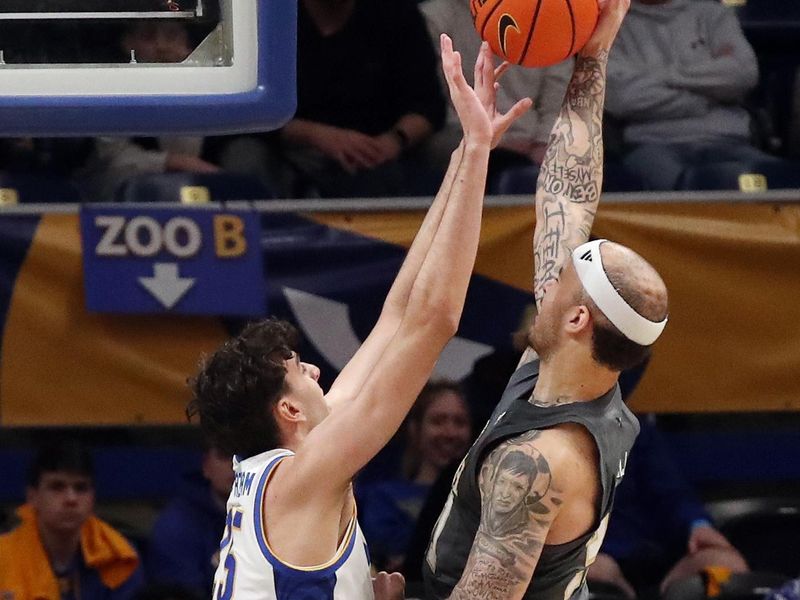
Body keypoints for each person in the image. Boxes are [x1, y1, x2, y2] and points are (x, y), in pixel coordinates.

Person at [186, 36, 532, 600]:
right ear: (289, 409)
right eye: (303, 371)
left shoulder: (282, 470)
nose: (321, 372)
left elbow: (397, 316)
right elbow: (435, 320)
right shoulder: (302, 477)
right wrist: (472, 155)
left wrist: (467, 158)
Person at [423, 2, 672, 600]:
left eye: (562, 277)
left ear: (579, 318)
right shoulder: (572, 375)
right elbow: (567, 190)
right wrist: (591, 58)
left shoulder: (539, 462)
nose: (548, 272)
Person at [604, 0, 790, 191]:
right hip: (649, 146)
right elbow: (622, 98)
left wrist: (660, 76)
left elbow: (742, 73)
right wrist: (705, 98)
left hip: (730, 141)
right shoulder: (609, 25)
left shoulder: (712, 14)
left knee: (778, 181)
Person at [274, 0, 447, 198]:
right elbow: (251, 115)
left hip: (377, 150)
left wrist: (394, 140)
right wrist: (316, 135)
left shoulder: (396, 13)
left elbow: (429, 104)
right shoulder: (273, 16)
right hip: (291, 147)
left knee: (451, 149)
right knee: (245, 155)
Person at [587, 419, 748, 599]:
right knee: (592, 571)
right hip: (593, 553)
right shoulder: (555, 440)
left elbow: (672, 492)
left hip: (659, 553)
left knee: (725, 562)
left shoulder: (634, 430)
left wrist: (698, 525)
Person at [420, 0, 572, 187]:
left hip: (533, 140)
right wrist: (487, 140)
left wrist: (542, 144)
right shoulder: (434, 16)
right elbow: (437, 102)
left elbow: (559, 98)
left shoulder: (552, 16)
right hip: (461, 135)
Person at [76, 20, 219, 202]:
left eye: (172, 36)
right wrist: (173, 162)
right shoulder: (114, 87)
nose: (161, 46)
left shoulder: (215, 84)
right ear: (128, 43)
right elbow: (112, 159)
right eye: (148, 37)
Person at [0, 440, 144, 600]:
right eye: (57, 487)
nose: (71, 499)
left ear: (92, 497)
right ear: (32, 497)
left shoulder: (119, 556)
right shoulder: (3, 557)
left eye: (81, 488)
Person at [359, 381, 472, 571]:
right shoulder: (382, 497)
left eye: (459, 422)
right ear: (415, 429)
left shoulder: (481, 500)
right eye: (438, 421)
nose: (450, 433)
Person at [147, 445, 235, 597]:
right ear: (206, 466)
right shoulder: (176, 525)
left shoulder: (277, 516)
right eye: (225, 454)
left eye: (247, 456)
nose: (236, 464)